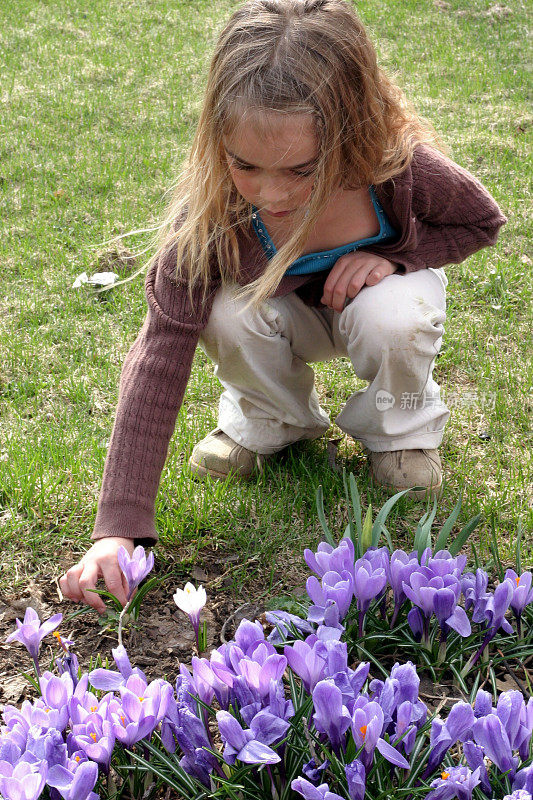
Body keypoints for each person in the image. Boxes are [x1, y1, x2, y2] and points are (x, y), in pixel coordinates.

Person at [60, 0, 507, 613]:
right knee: (225, 311)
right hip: (285, 318)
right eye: (245, 165)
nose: (270, 193)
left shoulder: (400, 171)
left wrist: (399, 260)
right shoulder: (212, 219)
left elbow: (481, 222)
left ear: (355, 132)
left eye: (300, 170)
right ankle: (273, 419)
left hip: (374, 307)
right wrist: (119, 525)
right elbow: (160, 357)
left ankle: (400, 433)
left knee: (396, 317)